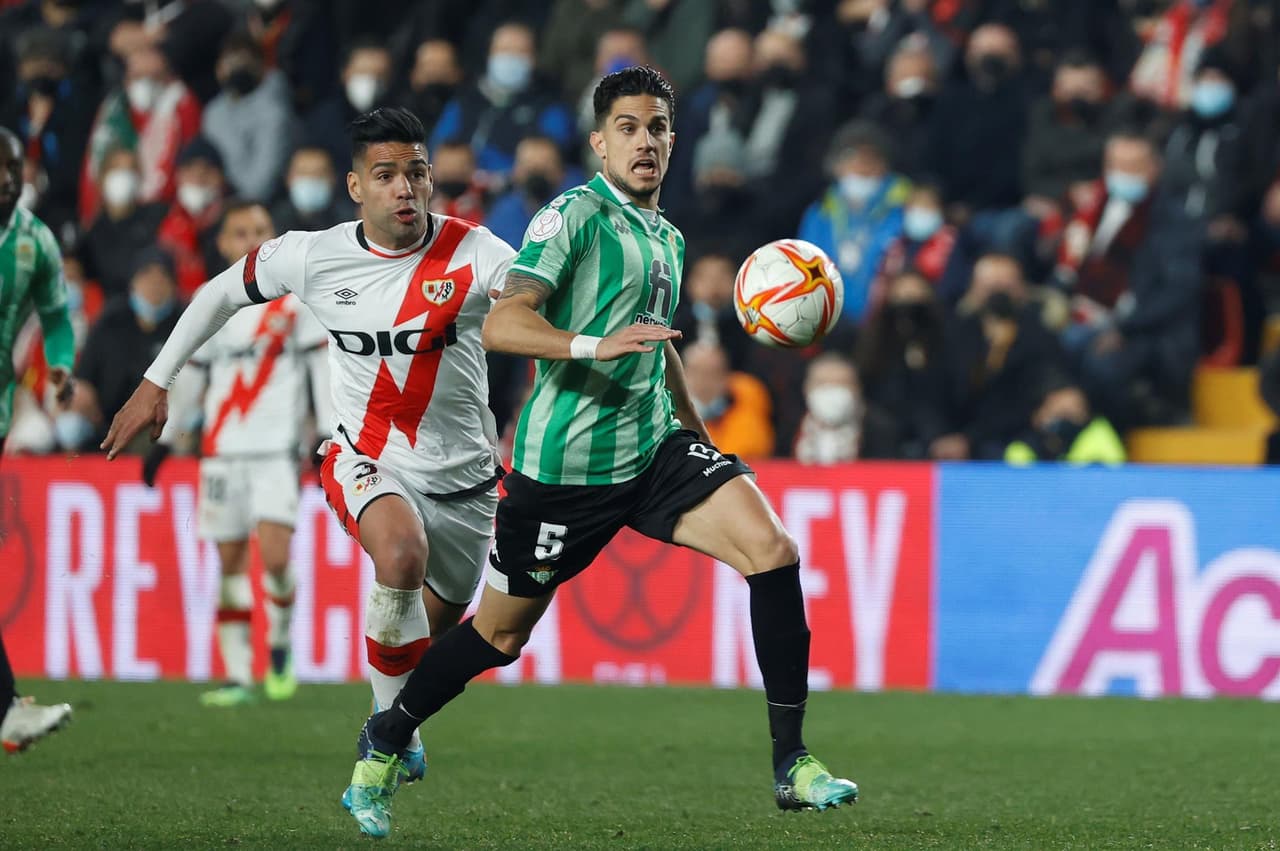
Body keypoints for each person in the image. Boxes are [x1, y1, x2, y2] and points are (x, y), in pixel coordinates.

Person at [341, 66, 857, 839]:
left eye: (656, 127)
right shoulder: (571, 217)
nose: (644, 141)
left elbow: (659, 346)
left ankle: (793, 764)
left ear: (673, 141)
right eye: (627, 128)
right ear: (599, 143)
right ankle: (383, 740)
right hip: (563, 472)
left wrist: (698, 439)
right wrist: (592, 344)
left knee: (773, 550)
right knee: (498, 635)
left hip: (652, 451)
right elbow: (504, 323)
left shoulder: (667, 236)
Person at [101, 106, 516, 802]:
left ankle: (388, 720)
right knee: (399, 557)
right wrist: (155, 380)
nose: (404, 188)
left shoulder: (477, 254)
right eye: (385, 175)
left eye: (415, 172)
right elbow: (217, 295)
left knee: (424, 641)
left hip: (466, 484)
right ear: (356, 186)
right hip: (363, 456)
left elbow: (529, 307)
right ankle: (393, 735)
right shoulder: (310, 253)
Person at [142, 200, 331, 707]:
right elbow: (192, 380)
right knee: (228, 561)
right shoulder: (212, 305)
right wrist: (167, 442)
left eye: (260, 229)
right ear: (223, 243)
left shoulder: (296, 306)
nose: (250, 239)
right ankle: (238, 674)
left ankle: (279, 645)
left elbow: (319, 372)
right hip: (222, 452)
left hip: (275, 451)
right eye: (239, 231)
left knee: (273, 556)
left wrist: (330, 434)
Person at [0, 126, 73, 752]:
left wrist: (61, 360)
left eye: (11, 166)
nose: (3, 178)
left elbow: (55, 315)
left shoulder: (35, 241)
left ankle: (7, 709)